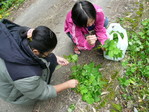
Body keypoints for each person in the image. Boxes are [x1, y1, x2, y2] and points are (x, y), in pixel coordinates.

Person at [0, 19, 78, 105]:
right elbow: (42, 93)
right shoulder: (25, 74)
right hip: (15, 94)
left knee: (51, 59)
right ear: (36, 51)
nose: (49, 54)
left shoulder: (24, 34)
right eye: (48, 52)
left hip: (10, 75)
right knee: (47, 65)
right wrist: (67, 84)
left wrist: (55, 57)